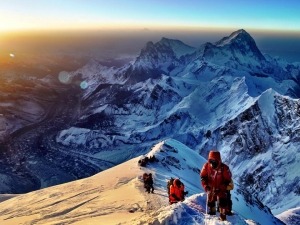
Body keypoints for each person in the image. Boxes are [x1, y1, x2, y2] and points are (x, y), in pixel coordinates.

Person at [200, 150, 232, 221]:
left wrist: (221, 187)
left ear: (219, 160)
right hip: (211, 188)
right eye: (211, 161)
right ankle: (212, 214)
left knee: (223, 202)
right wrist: (206, 186)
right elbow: (203, 177)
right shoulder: (206, 166)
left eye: (214, 161)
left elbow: (228, 180)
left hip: (221, 189)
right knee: (211, 202)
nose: (212, 164)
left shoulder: (224, 168)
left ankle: (223, 216)